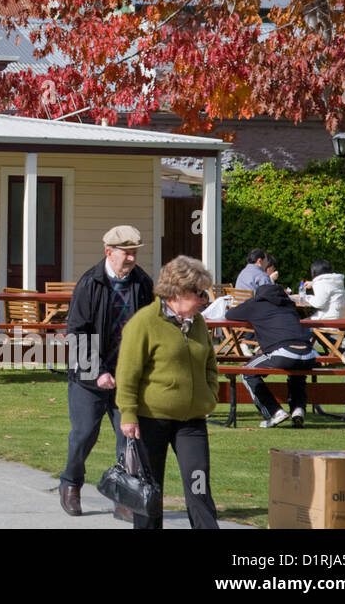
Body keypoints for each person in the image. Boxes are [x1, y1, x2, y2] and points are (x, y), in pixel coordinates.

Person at [116, 255, 219, 529]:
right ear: (176, 292)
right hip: (151, 420)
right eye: (198, 293)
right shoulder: (144, 322)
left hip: (192, 422)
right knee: (150, 492)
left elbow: (210, 362)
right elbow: (127, 373)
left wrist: (210, 394)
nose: (203, 300)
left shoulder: (197, 323)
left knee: (198, 484)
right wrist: (127, 414)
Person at [59, 224, 155, 518]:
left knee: (129, 438)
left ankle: (124, 496)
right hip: (90, 377)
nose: (130, 259)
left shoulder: (142, 283)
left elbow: (151, 326)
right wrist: (99, 371)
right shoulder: (91, 283)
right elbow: (77, 332)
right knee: (84, 433)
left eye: (134, 253)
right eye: (125, 253)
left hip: (127, 376)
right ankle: (71, 483)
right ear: (108, 252)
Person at [227, 283, 318, 428]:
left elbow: (230, 315)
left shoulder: (256, 304)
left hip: (284, 351)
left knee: (246, 371)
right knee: (297, 371)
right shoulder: (289, 305)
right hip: (309, 353)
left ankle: (274, 412)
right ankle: (298, 410)